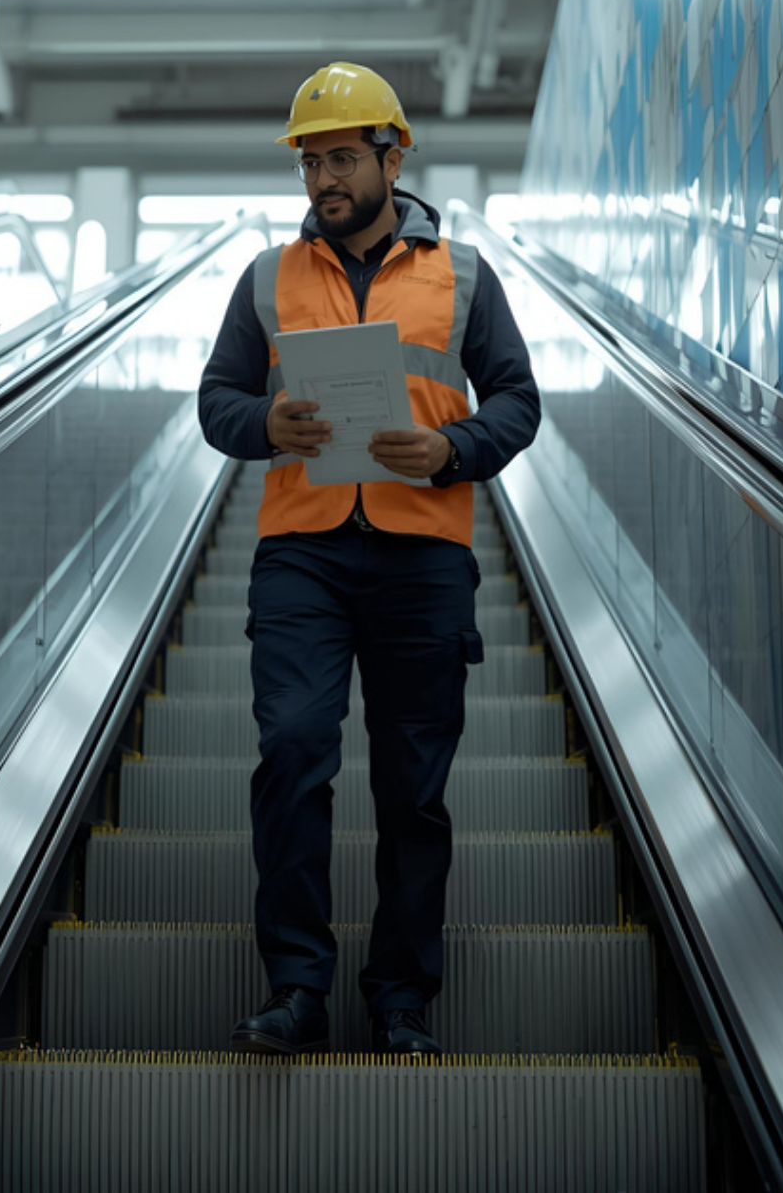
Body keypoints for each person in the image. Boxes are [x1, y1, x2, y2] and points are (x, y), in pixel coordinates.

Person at [197, 61, 541, 1058]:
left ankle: (401, 1000)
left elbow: (518, 400)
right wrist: (269, 420)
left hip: (423, 554)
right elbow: (216, 404)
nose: (322, 180)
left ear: (393, 157)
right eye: (311, 162)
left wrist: (454, 448)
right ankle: (298, 985)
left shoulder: (464, 274)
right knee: (295, 750)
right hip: (300, 551)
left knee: (411, 785)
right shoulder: (265, 277)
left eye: (343, 157)